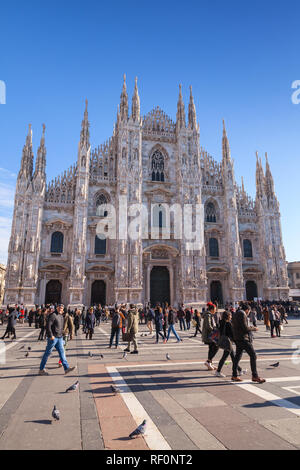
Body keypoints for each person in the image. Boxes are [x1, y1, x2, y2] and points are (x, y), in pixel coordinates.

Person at [231, 302, 265, 383]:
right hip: (243, 338)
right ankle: (255, 376)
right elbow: (245, 328)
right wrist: (253, 328)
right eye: (249, 311)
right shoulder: (242, 314)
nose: (249, 313)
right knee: (253, 355)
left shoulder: (236, 314)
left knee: (237, 357)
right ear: (247, 310)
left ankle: (234, 375)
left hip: (238, 338)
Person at [39, 304, 76, 376]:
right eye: (59, 308)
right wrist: (50, 335)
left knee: (62, 353)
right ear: (57, 308)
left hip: (59, 337)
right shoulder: (53, 315)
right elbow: (48, 325)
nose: (60, 309)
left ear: (63, 309)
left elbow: (61, 327)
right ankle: (41, 369)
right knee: (47, 353)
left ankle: (66, 368)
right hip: (53, 338)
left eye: (62, 308)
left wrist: (65, 334)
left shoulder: (61, 316)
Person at [215, 311, 244, 378]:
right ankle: (218, 371)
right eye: (230, 315)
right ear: (228, 316)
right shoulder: (228, 323)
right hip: (228, 342)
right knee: (225, 357)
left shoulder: (221, 322)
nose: (231, 316)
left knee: (233, 357)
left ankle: (240, 370)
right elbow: (232, 334)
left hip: (225, 341)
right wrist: (237, 341)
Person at [202, 302, 220, 371]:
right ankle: (208, 361)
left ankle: (210, 363)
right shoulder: (208, 315)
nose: (215, 310)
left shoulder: (209, 315)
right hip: (209, 335)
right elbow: (208, 326)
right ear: (212, 309)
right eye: (215, 309)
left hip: (209, 335)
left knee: (211, 348)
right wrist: (215, 330)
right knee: (216, 346)